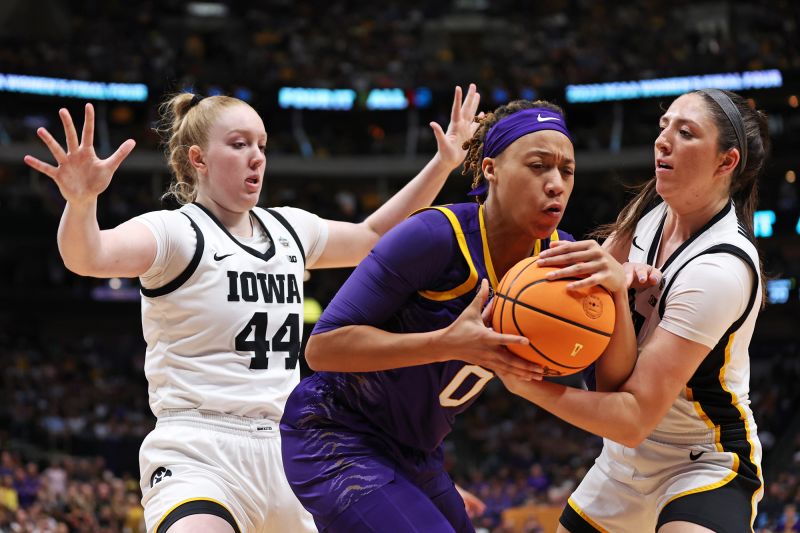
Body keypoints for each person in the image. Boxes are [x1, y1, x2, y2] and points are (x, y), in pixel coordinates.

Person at [22, 84, 482, 533]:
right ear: (197, 159)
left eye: (261, 144)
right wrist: (81, 202)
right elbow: (88, 257)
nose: (257, 156)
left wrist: (443, 164)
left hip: (292, 448)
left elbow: (373, 238)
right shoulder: (176, 232)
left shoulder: (289, 229)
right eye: (239, 144)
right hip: (200, 448)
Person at [280, 99, 637, 532]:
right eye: (538, 166)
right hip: (336, 433)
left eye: (567, 170)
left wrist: (617, 294)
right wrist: (447, 342)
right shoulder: (432, 236)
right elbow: (322, 349)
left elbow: (606, 384)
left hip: (418, 452)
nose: (556, 184)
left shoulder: (559, 259)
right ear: (490, 169)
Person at [498, 88, 769, 533]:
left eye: (685, 133)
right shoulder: (649, 212)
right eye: (664, 127)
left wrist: (524, 384)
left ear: (727, 162)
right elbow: (596, 332)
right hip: (622, 462)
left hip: (702, 461)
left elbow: (631, 417)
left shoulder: (720, 270)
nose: (663, 140)